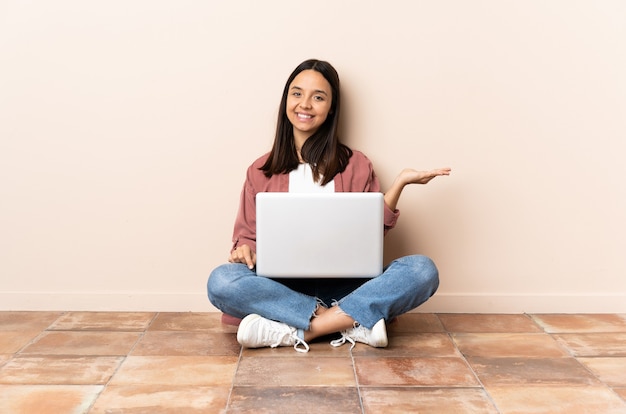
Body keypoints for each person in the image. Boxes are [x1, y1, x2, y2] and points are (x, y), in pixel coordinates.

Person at [207, 59, 450, 353]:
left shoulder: (356, 164)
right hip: (282, 288)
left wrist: (399, 185)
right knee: (221, 280)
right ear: (287, 100)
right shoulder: (260, 170)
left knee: (423, 270)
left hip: (347, 287)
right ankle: (352, 321)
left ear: (331, 107)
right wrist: (243, 251)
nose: (305, 104)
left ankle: (296, 330)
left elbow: (368, 237)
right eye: (297, 94)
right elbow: (245, 237)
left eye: (318, 97)